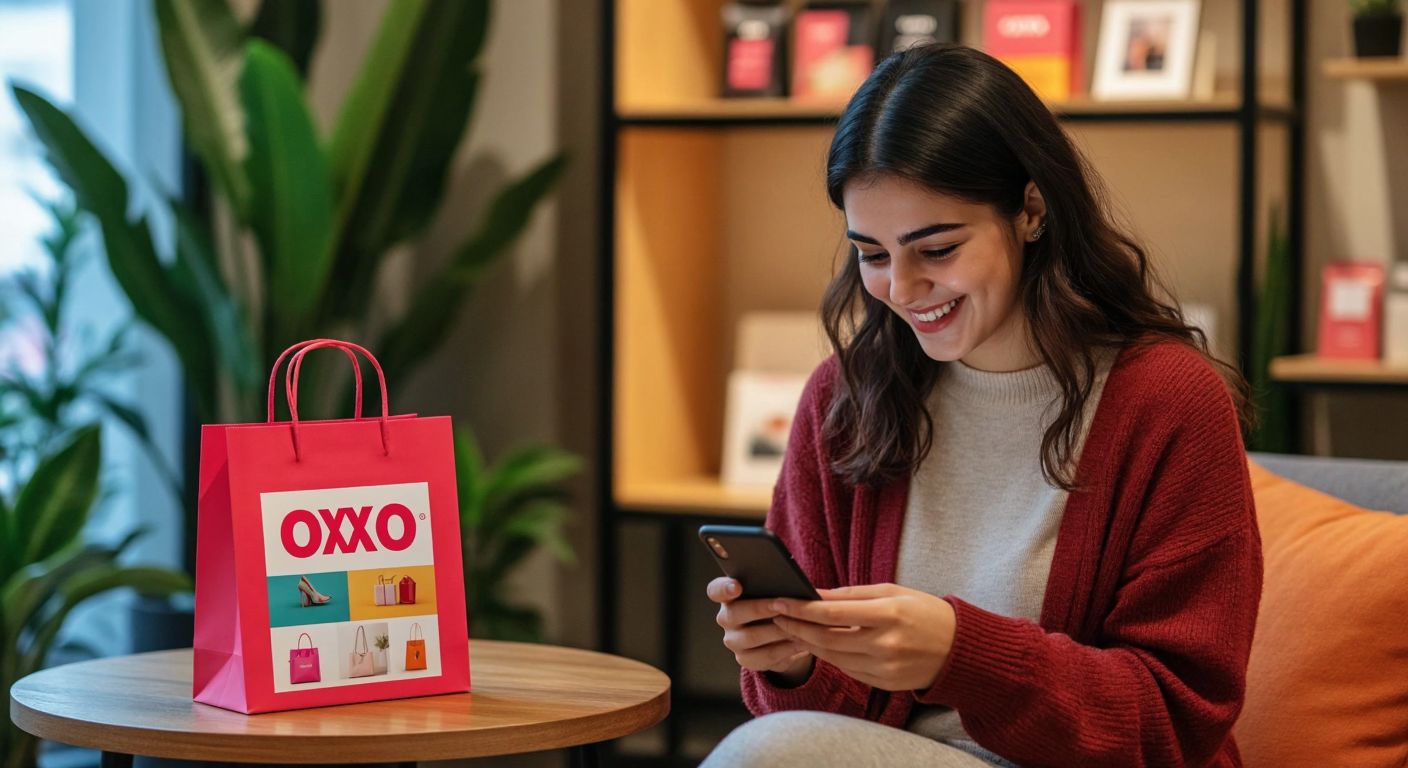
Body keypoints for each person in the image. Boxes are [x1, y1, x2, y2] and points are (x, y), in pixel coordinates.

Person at [702, 44, 1261, 768]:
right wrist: (791, 664)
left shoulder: (1169, 403)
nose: (901, 290)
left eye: (936, 249)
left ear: (1031, 208)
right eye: (872, 254)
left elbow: (1176, 721)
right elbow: (825, 725)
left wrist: (963, 655)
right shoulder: (846, 400)